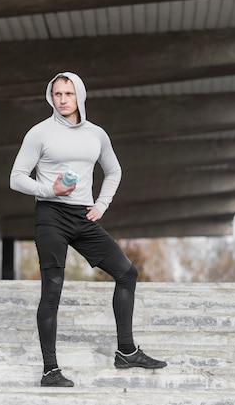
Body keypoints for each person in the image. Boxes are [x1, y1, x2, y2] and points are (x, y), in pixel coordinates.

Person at [10, 71, 167, 388]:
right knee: (52, 289)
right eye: (57, 94)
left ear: (79, 95)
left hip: (83, 217)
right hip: (51, 215)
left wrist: (102, 204)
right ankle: (50, 371)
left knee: (127, 273)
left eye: (68, 93)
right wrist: (50, 189)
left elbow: (114, 170)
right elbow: (16, 178)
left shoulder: (96, 134)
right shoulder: (39, 133)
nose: (63, 99)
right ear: (50, 97)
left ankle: (126, 352)